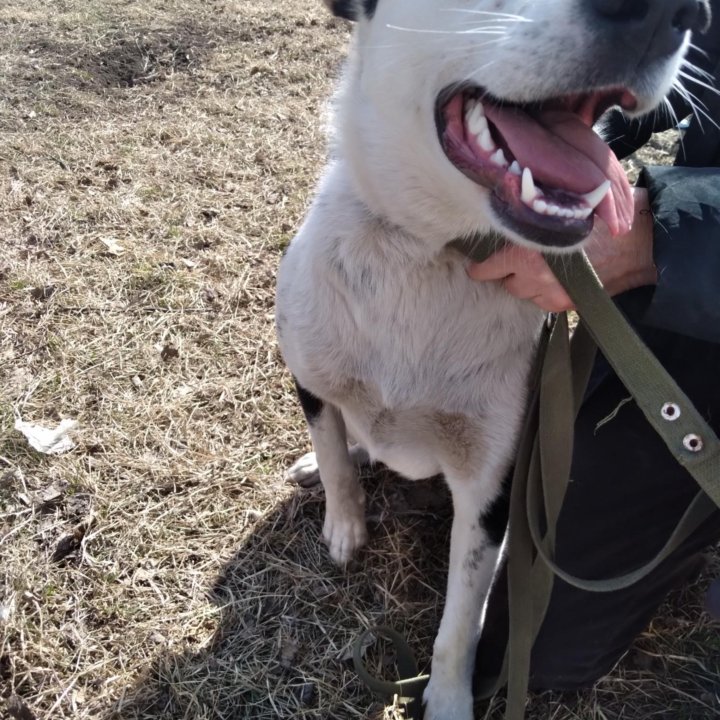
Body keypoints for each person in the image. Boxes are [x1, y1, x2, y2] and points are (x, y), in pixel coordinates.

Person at [471, 6, 720, 692]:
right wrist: (547, 107)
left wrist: (652, 239)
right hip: (698, 313)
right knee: (528, 643)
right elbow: (692, 60)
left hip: (690, 261)